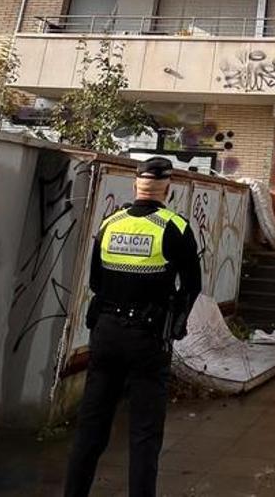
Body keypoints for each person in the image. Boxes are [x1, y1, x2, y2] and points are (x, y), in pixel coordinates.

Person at [64, 157, 201, 497]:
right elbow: (192, 285)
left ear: (135, 185)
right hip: (148, 336)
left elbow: (96, 280)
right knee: (144, 432)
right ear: (167, 188)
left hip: (106, 332)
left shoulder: (110, 223)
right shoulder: (175, 227)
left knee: (91, 426)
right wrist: (175, 317)